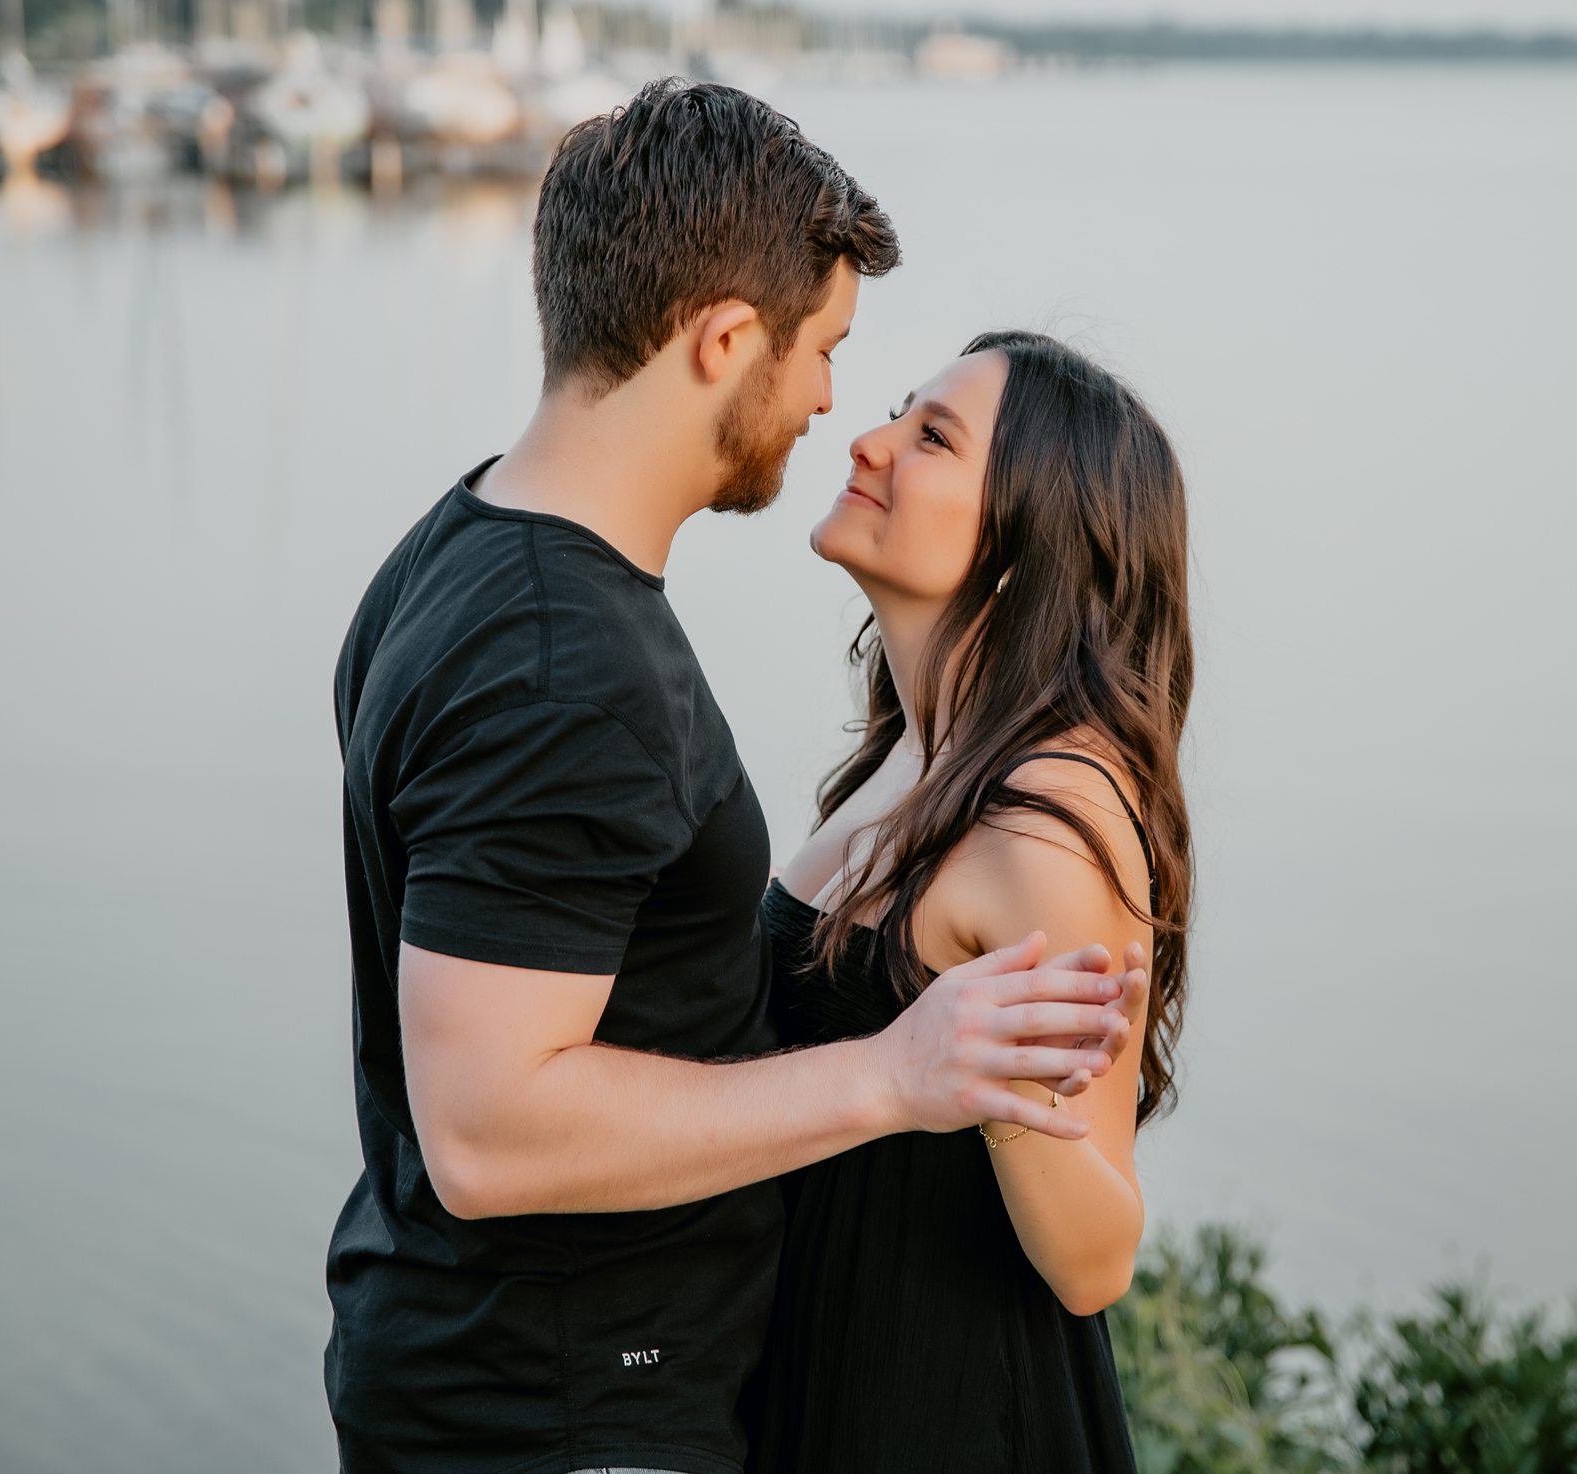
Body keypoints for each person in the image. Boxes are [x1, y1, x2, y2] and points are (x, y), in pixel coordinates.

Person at [325, 81, 1151, 1474]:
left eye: (924, 429)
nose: (843, 413)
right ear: (723, 340)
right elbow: (488, 1126)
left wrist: (955, 1081)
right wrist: (897, 1071)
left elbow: (1088, 1246)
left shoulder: (460, 551)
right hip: (575, 1405)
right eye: (832, 354)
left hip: (804, 1396)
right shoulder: (564, 660)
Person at [748, 331, 1193, 1473]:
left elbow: (1098, 1257)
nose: (868, 440)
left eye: (931, 436)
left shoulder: (1043, 820)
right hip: (829, 1378)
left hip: (945, 1413)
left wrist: (993, 1094)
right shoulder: (911, 758)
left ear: (1024, 545)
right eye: (902, 412)